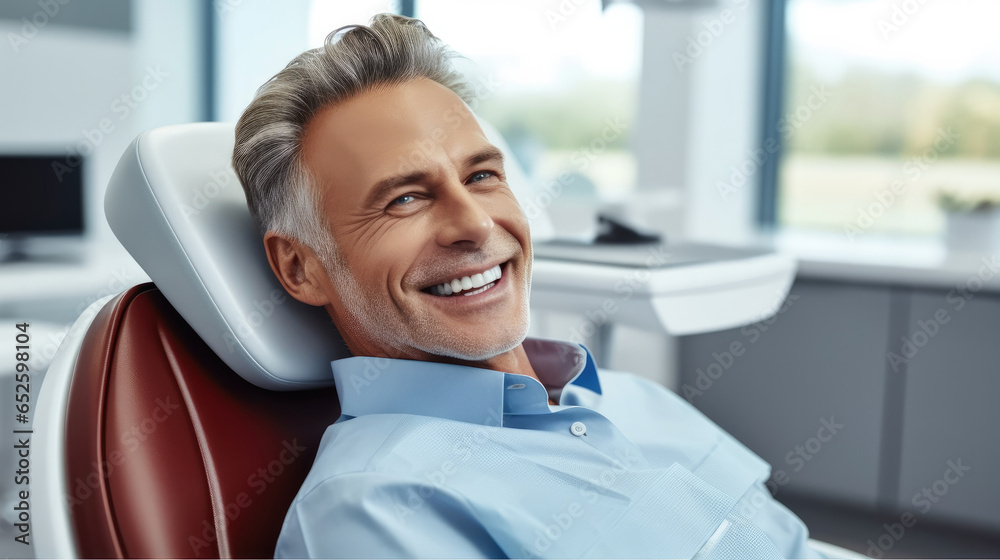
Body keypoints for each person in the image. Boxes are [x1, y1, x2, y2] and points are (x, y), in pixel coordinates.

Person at [232, 13, 828, 559]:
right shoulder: (374, 509)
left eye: (482, 175)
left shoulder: (626, 398)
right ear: (299, 268)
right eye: (405, 198)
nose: (475, 224)